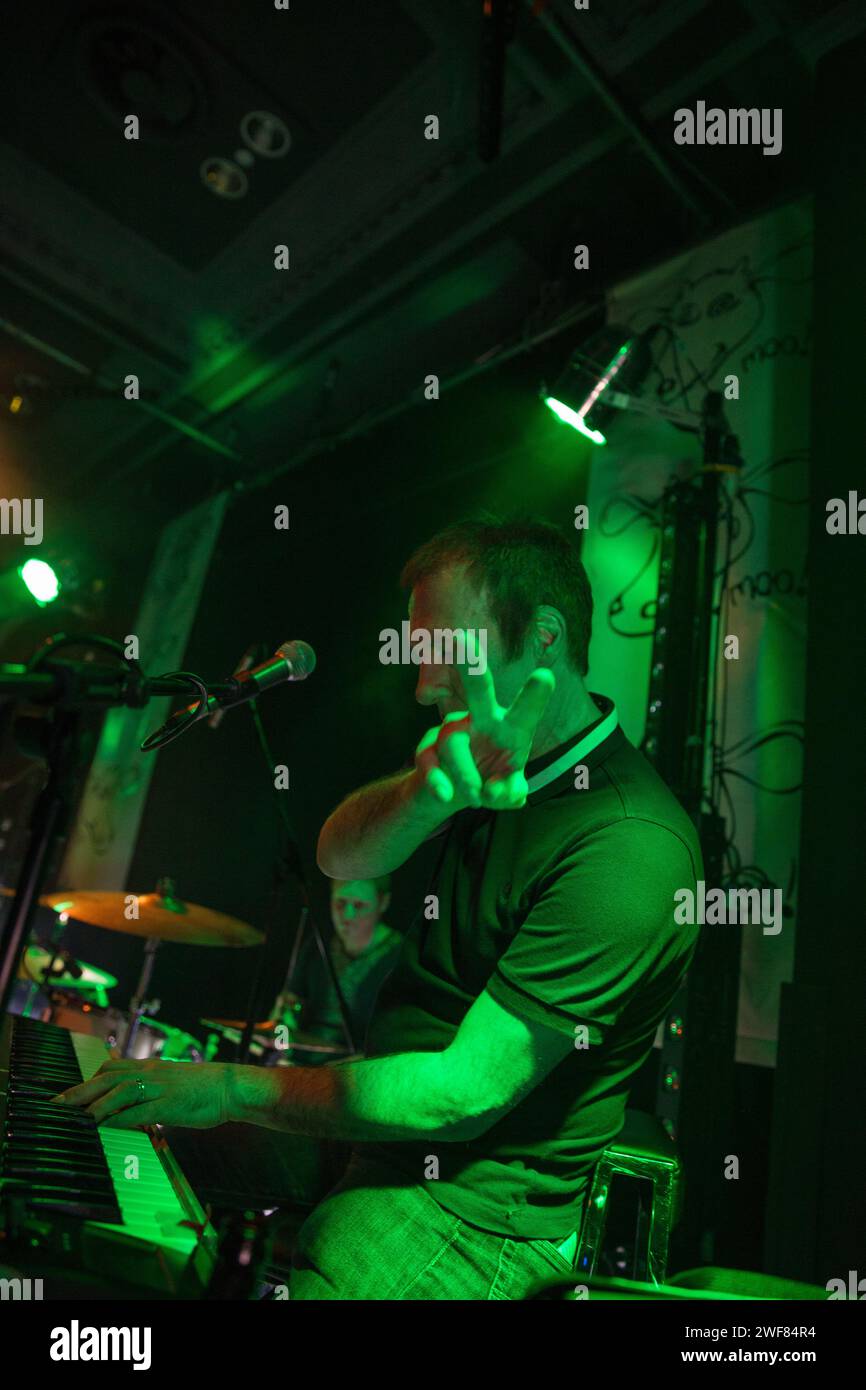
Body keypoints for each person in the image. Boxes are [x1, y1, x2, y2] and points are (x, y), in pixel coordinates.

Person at [56, 517, 703, 1301]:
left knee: (327, 1252)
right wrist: (427, 792)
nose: (424, 685)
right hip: (386, 1135)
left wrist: (229, 1087)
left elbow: (459, 1096)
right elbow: (340, 855)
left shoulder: (631, 846)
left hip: (470, 1210)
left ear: (541, 639)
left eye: (445, 649)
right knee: (98, 1147)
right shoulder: (482, 756)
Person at [278, 875, 400, 1062]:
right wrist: (280, 1042)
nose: (347, 915)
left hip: (358, 1074)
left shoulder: (400, 958)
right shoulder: (318, 943)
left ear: (383, 903)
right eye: (340, 903)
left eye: (359, 906)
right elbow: (288, 1007)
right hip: (303, 1062)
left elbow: (398, 1042)